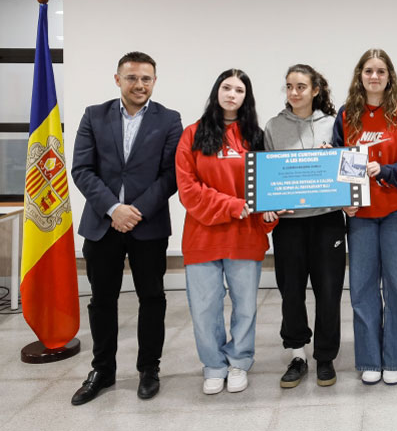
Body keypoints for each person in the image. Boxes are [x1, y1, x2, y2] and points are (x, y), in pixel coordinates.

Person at [70, 51, 182, 405]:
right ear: (117, 79)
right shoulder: (94, 116)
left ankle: (149, 369)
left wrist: (136, 211)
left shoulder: (169, 120)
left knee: (152, 299)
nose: (139, 84)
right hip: (103, 225)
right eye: (132, 77)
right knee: (102, 301)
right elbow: (82, 169)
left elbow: (171, 176)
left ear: (154, 81)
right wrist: (114, 208)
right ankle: (102, 370)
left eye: (146, 78)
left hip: (147, 226)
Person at [175, 69, 278, 395]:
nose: (232, 94)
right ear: (216, 91)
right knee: (204, 307)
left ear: (246, 98)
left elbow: (267, 188)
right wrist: (232, 205)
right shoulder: (192, 134)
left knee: (246, 306)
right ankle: (214, 365)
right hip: (202, 236)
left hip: (245, 236)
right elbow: (188, 190)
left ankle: (239, 361)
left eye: (239, 90)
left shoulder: (256, 137)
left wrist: (271, 213)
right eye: (226, 87)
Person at [332, 49, 397, 385]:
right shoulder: (345, 115)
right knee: (363, 288)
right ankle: (370, 358)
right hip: (360, 214)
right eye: (368, 71)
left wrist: (383, 171)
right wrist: (344, 201)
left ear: (389, 76)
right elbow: (336, 166)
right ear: (360, 75)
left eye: (380, 71)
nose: (374, 76)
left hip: (396, 210)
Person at [264, 64, 346, 388]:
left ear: (315, 90)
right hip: (290, 226)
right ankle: (297, 354)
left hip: (327, 220)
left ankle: (325, 356)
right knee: (291, 293)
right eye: (289, 87)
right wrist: (269, 208)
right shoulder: (272, 126)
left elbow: (347, 168)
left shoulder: (333, 124)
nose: (294, 92)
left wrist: (334, 157)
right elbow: (266, 177)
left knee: (329, 292)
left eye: (301, 86)